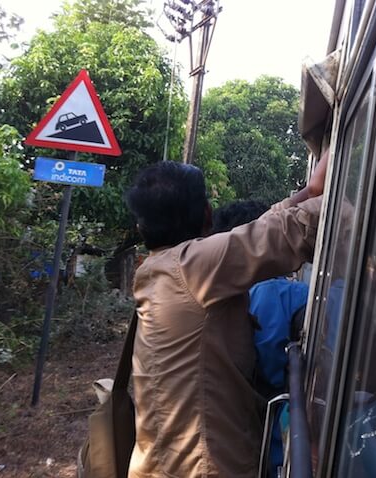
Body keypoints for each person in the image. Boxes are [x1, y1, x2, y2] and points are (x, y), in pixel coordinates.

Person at [124, 156, 327, 478]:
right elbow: (287, 231)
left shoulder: (163, 268)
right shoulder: (192, 267)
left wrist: (308, 193)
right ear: (207, 215)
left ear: (141, 226)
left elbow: (260, 228)